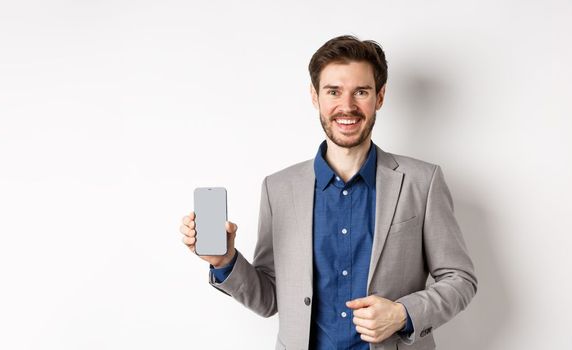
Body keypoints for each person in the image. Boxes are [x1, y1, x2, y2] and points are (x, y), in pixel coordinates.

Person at [179, 35, 477, 350]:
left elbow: (460, 279)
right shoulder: (278, 188)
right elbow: (269, 299)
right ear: (314, 96)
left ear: (380, 97)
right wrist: (225, 260)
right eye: (333, 91)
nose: (346, 106)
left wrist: (403, 314)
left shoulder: (423, 181)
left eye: (360, 92)